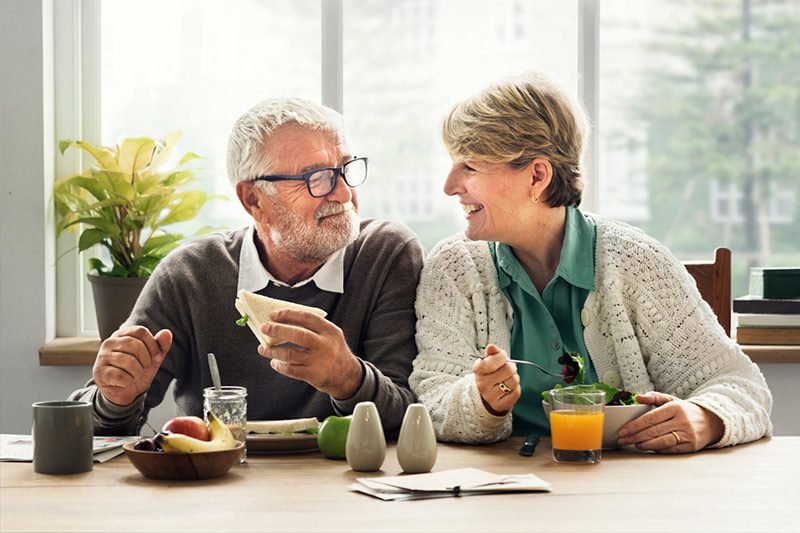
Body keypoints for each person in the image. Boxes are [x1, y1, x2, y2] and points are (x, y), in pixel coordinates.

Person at [409, 72, 772, 452]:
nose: (450, 186)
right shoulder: (454, 267)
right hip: (497, 493)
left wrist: (708, 416)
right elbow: (430, 398)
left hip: (626, 491)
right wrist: (480, 401)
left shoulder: (638, 261)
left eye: (469, 166)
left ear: (537, 175)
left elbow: (740, 384)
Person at [69, 97, 425, 436]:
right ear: (253, 199)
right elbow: (87, 430)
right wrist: (116, 398)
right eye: (316, 178)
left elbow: (411, 419)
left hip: (345, 484)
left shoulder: (386, 254)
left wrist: (347, 377)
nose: (345, 194)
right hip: (216, 482)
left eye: (345, 169)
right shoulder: (190, 274)